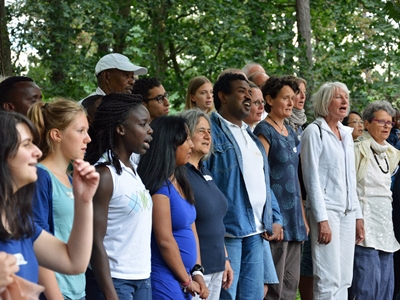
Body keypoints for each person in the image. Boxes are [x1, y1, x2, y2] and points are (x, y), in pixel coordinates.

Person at [205, 72, 282, 300]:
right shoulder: (211, 130)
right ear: (223, 96)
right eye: (241, 91)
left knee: (254, 296)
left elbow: (263, 182)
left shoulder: (251, 135)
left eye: (250, 92)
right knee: (227, 295)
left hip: (257, 231)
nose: (248, 97)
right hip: (229, 232)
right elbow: (201, 180)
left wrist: (275, 217)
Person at [0, 111, 99, 287]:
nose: (37, 152)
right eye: (26, 144)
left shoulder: (20, 220)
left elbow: (74, 262)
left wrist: (84, 201)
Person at [84, 93, 154, 300]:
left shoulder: (130, 170)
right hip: (115, 281)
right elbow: (94, 240)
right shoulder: (104, 174)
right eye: (142, 124)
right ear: (121, 128)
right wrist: (110, 294)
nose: (150, 130)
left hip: (142, 278)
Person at [300, 82, 364, 299]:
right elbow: (312, 179)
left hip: (347, 213)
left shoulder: (346, 134)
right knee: (328, 277)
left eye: (346, 97)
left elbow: (351, 179)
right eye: (338, 97)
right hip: (327, 212)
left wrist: (358, 216)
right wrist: (321, 219)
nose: (345, 101)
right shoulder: (314, 131)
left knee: (345, 277)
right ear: (325, 102)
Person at [137, 116, 209, 300]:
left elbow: (191, 226)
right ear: (169, 144)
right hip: (165, 279)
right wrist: (186, 280)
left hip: (183, 277)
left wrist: (197, 271)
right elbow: (165, 240)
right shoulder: (159, 188)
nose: (191, 145)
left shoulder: (180, 181)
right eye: (186, 140)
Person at [28, 99, 91, 300]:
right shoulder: (40, 176)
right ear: (57, 135)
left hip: (77, 290)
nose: (88, 138)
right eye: (80, 131)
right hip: (55, 293)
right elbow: (37, 243)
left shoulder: (74, 179)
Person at [254, 75, 308, 300]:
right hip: (277, 218)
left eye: (292, 98)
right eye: (285, 98)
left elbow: (295, 178)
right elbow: (260, 175)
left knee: (290, 283)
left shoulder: (291, 131)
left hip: (294, 217)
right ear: (269, 99)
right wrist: (272, 218)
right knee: (273, 286)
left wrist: (303, 217)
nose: (290, 103)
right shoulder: (263, 130)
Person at [179, 108, 233, 300]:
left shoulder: (205, 171)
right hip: (197, 271)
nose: (207, 136)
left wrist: (225, 258)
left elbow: (217, 220)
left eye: (209, 131)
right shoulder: (179, 174)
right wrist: (195, 270)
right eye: (201, 130)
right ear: (186, 134)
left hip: (217, 265)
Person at [349, 100, 400, 300]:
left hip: (386, 225)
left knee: (386, 286)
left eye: (389, 122)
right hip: (364, 224)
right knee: (366, 285)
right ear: (367, 123)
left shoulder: (391, 153)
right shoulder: (356, 149)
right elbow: (350, 187)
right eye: (381, 121)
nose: (387, 126)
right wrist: (357, 218)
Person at [80, 53, 148, 102]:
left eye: (132, 77)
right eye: (126, 75)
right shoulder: (85, 110)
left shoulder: (127, 106)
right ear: (106, 76)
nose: (132, 82)